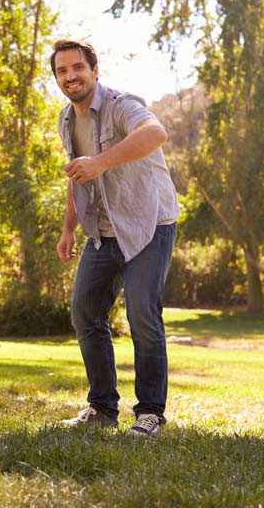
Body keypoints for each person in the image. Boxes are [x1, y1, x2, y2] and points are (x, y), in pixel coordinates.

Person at [50, 39, 179, 438]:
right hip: (104, 230)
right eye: (62, 71)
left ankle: (151, 413)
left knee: (142, 313)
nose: (70, 76)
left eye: (77, 68)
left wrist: (101, 162)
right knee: (85, 313)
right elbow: (78, 176)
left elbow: (155, 133)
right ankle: (102, 408)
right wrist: (69, 227)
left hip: (148, 223)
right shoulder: (66, 121)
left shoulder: (122, 105)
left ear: (94, 70)